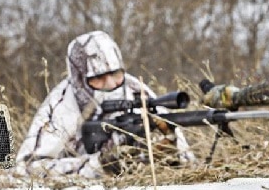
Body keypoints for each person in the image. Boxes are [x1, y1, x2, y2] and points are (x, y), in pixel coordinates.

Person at [16, 30, 195, 178]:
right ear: (80, 79)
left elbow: (188, 161)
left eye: (116, 74)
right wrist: (98, 165)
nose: (110, 84)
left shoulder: (136, 90)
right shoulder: (61, 104)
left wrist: (168, 150)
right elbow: (27, 168)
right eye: (98, 78)